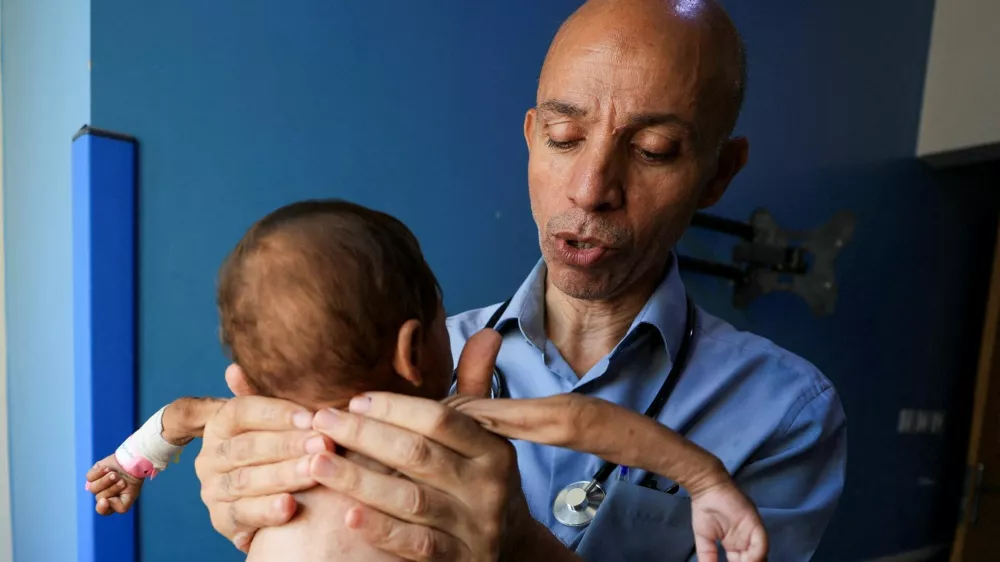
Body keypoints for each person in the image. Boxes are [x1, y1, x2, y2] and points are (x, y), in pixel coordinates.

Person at [192, 0, 848, 560]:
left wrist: (521, 546)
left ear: (719, 174)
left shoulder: (787, 414)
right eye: (564, 137)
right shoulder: (405, 362)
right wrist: (255, 492)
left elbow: (575, 425)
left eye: (653, 151)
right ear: (532, 138)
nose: (591, 190)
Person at [85, 199, 767, 560]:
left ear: (248, 376)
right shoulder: (447, 422)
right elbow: (584, 422)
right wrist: (706, 479)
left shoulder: (249, 419)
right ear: (417, 350)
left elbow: (178, 416)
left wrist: (132, 462)